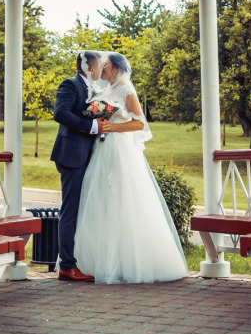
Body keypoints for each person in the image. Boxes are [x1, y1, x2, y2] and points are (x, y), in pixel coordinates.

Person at [73, 52, 188, 284]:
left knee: (124, 201)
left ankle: (131, 262)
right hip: (102, 151)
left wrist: (111, 128)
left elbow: (139, 123)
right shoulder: (104, 92)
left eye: (105, 64)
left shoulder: (126, 90)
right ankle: (100, 260)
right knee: (102, 202)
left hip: (120, 151)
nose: (101, 67)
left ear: (115, 67)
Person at [50, 50, 111, 282]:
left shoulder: (93, 89)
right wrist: (92, 126)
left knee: (83, 209)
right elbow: (61, 114)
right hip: (71, 156)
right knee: (70, 210)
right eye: (100, 66)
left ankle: (79, 259)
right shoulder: (70, 84)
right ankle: (66, 266)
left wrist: (101, 128)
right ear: (91, 69)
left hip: (88, 155)